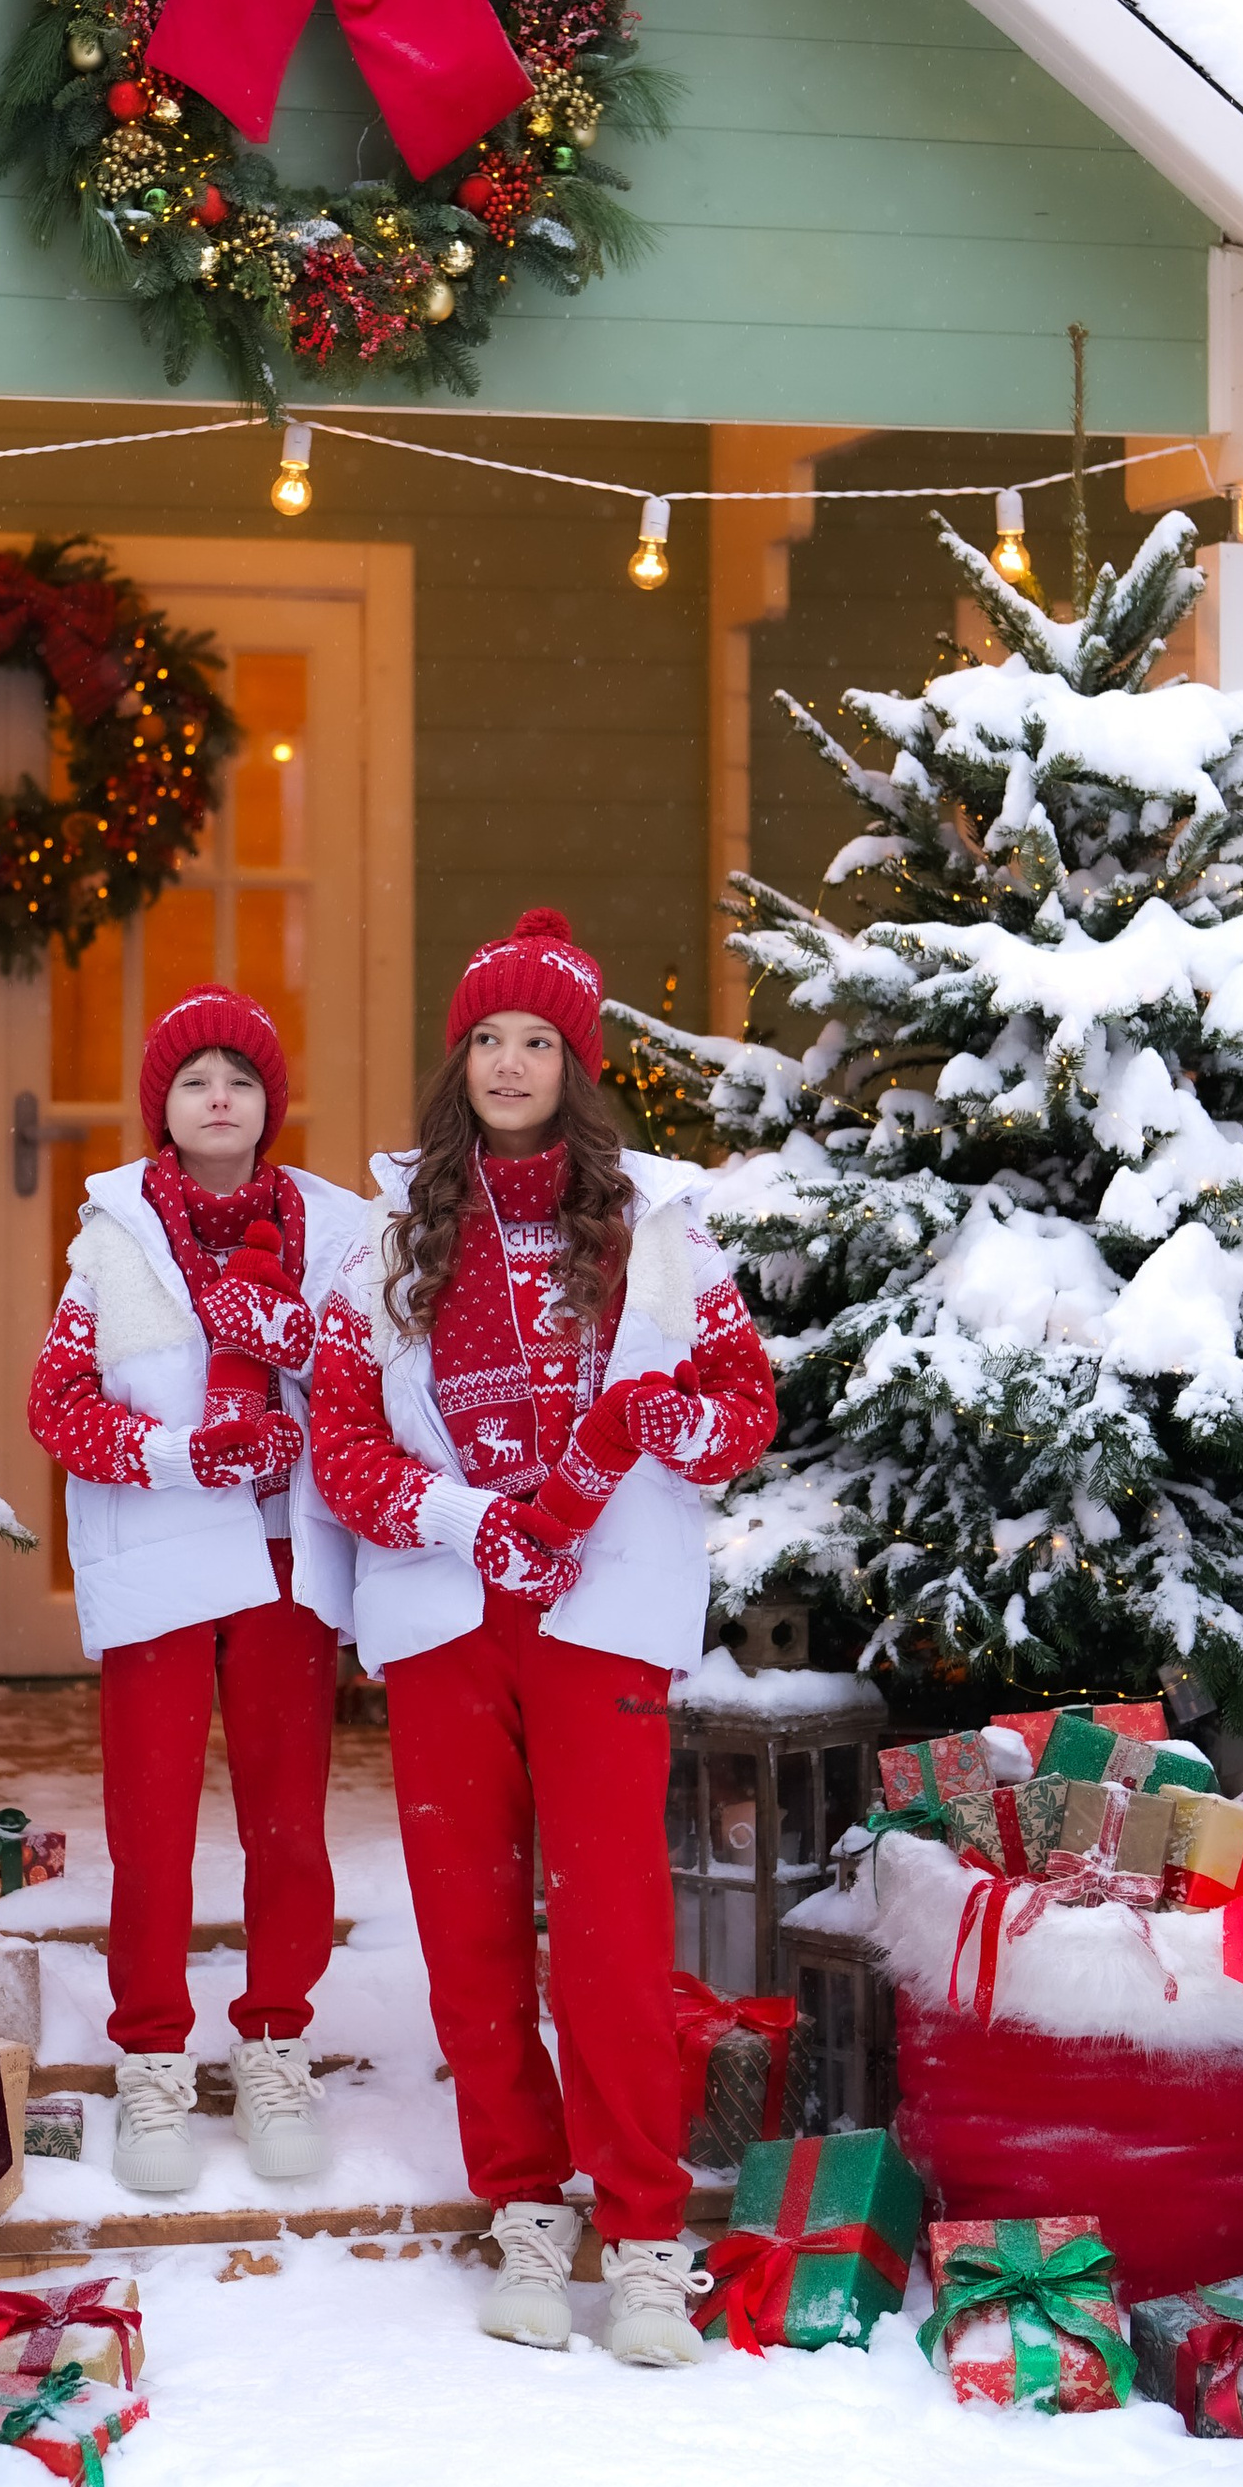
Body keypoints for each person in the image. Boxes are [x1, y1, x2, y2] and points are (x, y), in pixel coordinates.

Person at [308, 909, 777, 2365]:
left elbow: (742, 1406)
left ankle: (641, 2233)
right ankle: (523, 2210)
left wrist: (651, 1419)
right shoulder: (381, 1239)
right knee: (469, 1931)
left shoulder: (660, 1232)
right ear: (459, 1064)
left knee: (616, 1931)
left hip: (600, 1622)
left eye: (538, 1042)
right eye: (488, 1039)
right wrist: (464, 1522)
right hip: (450, 1621)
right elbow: (341, 1448)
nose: (509, 1062)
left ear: (575, 1069)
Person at [27, 989, 366, 2195]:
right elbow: (58, 1411)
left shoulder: (338, 1239)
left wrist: (285, 1340)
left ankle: (277, 2039)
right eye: (192, 1080)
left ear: (269, 1104)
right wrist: (185, 1453)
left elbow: (379, 1387)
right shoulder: (115, 1241)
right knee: (153, 1828)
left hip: (282, 1562)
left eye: (239, 1078)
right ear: (161, 1111)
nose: (217, 1097)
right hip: (162, 1558)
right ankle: (152, 2061)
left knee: (288, 1822)